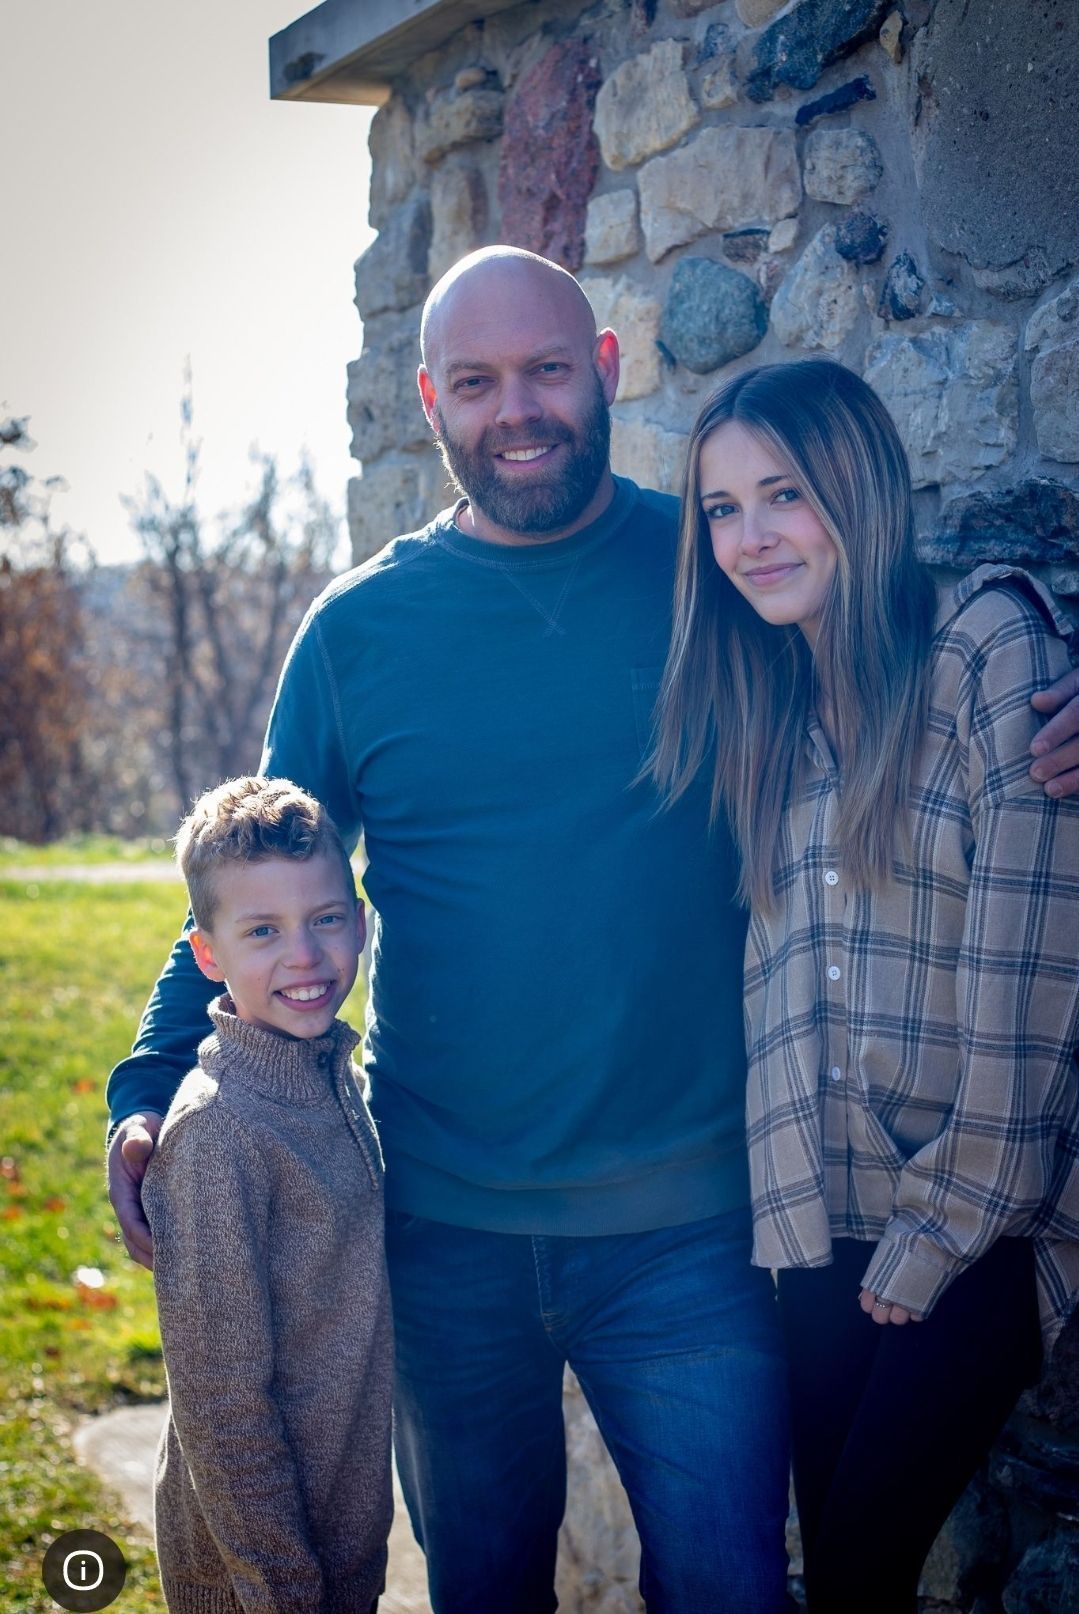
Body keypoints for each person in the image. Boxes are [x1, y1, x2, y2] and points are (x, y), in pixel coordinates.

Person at [106, 248, 1079, 1614]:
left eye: (548, 370)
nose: (519, 410)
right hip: (446, 1228)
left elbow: (891, 635)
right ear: (429, 401)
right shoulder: (355, 631)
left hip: (694, 1229)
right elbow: (241, 893)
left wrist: (1057, 683)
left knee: (733, 1587)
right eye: (479, 382)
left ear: (605, 369)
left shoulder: (703, 579)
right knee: (484, 1588)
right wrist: (150, 1085)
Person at [651, 358, 1079, 1614]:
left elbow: (1035, 975)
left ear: (858, 484)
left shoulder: (985, 650)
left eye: (781, 493)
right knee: (842, 1578)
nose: (748, 537)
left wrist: (939, 1233)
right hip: (814, 1222)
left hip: (976, 1224)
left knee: (847, 1575)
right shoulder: (766, 713)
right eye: (720, 509)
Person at [141, 776, 392, 1614]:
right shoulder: (218, 1135)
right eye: (262, 931)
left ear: (359, 920)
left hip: (338, 1546)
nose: (306, 957)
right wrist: (285, 1590)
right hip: (260, 1580)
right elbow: (222, 1410)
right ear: (207, 955)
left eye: (326, 918)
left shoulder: (330, 1078)